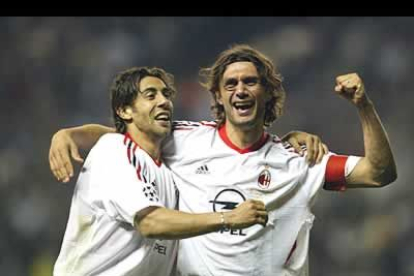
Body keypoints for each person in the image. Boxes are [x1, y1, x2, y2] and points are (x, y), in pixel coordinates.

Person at [50, 44, 397, 275]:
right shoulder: (184, 138)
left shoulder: (299, 158)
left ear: (267, 92)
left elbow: (379, 173)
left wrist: (363, 107)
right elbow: (124, 134)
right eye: (230, 84)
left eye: (250, 82)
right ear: (217, 95)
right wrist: (68, 135)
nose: (240, 90)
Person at [53, 66, 270, 276]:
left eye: (166, 94)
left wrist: (288, 143)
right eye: (150, 95)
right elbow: (150, 222)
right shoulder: (115, 150)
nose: (164, 101)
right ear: (124, 110)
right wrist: (227, 218)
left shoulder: (166, 167)